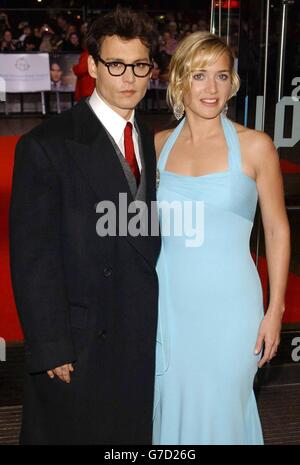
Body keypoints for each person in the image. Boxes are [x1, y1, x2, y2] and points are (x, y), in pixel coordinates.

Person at [9, 6, 160, 445]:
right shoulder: (47, 145)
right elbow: (33, 256)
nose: (128, 78)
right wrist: (51, 342)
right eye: (115, 65)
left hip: (136, 332)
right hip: (79, 340)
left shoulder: (149, 140)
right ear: (93, 65)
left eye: (139, 65)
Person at [153, 31, 290, 445]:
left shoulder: (256, 147)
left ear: (233, 83)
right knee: (172, 404)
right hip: (169, 307)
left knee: (225, 408)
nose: (211, 88)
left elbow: (277, 229)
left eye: (222, 76)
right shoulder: (157, 145)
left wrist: (276, 309)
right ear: (179, 81)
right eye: (199, 75)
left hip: (233, 310)